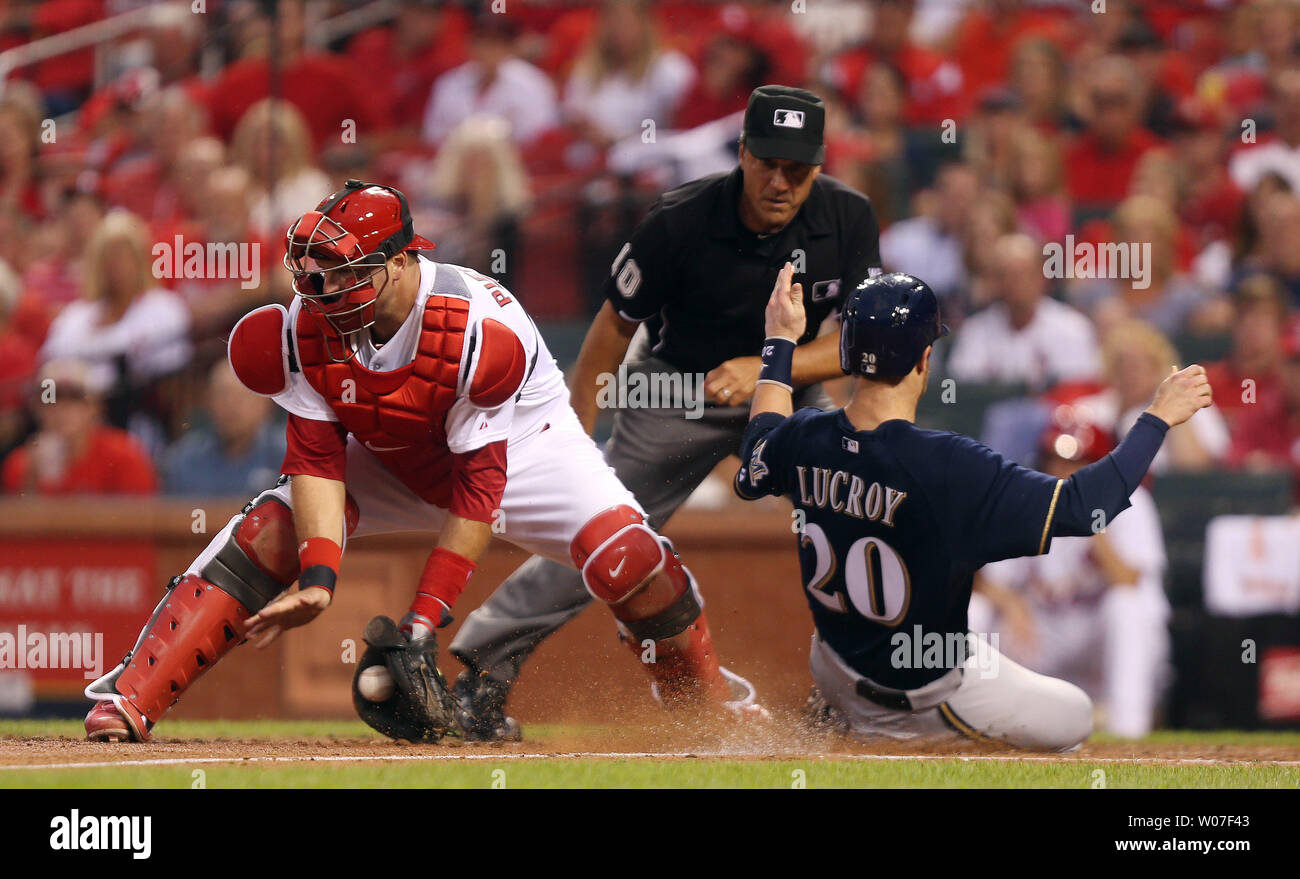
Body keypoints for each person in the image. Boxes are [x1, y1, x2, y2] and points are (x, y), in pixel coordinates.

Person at [82, 180, 760, 743]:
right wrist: (319, 575)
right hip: (390, 450)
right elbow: (315, 457)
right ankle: (131, 694)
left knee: (630, 559)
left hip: (524, 449)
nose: (325, 288)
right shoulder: (305, 323)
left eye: (348, 272)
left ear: (401, 261)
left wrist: (421, 620)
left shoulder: (475, 330)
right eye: (320, 272)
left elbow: (478, 491)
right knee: (270, 528)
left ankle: (706, 708)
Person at [449, 86, 881, 737]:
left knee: (856, 518)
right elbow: (611, 331)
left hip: (788, 391)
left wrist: (772, 363)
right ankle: (482, 672)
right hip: (676, 390)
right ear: (743, 154)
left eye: (799, 169)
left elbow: (863, 343)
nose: (781, 181)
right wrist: (570, 430)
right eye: (769, 163)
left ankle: (861, 692)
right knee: (602, 534)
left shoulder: (848, 217)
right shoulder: (680, 218)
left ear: (819, 167)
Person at [731, 264, 1210, 748]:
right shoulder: (947, 463)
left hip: (833, 669)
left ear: (848, 354)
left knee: (964, 642)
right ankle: (905, 734)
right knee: (1076, 716)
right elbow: (1086, 507)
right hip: (922, 697)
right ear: (924, 359)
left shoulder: (804, 435)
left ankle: (841, 712)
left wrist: (780, 341)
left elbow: (757, 451)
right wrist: (1157, 418)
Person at [970, 409, 1170, 739]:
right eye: (1056, 459)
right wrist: (1011, 603)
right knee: (975, 609)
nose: (1065, 471)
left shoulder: (1133, 500)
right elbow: (987, 582)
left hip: (1098, 638)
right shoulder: (1031, 499)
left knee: (1129, 605)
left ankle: (1128, 730)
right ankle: (968, 721)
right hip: (1045, 633)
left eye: (1078, 460)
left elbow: (1128, 580)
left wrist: (1093, 520)